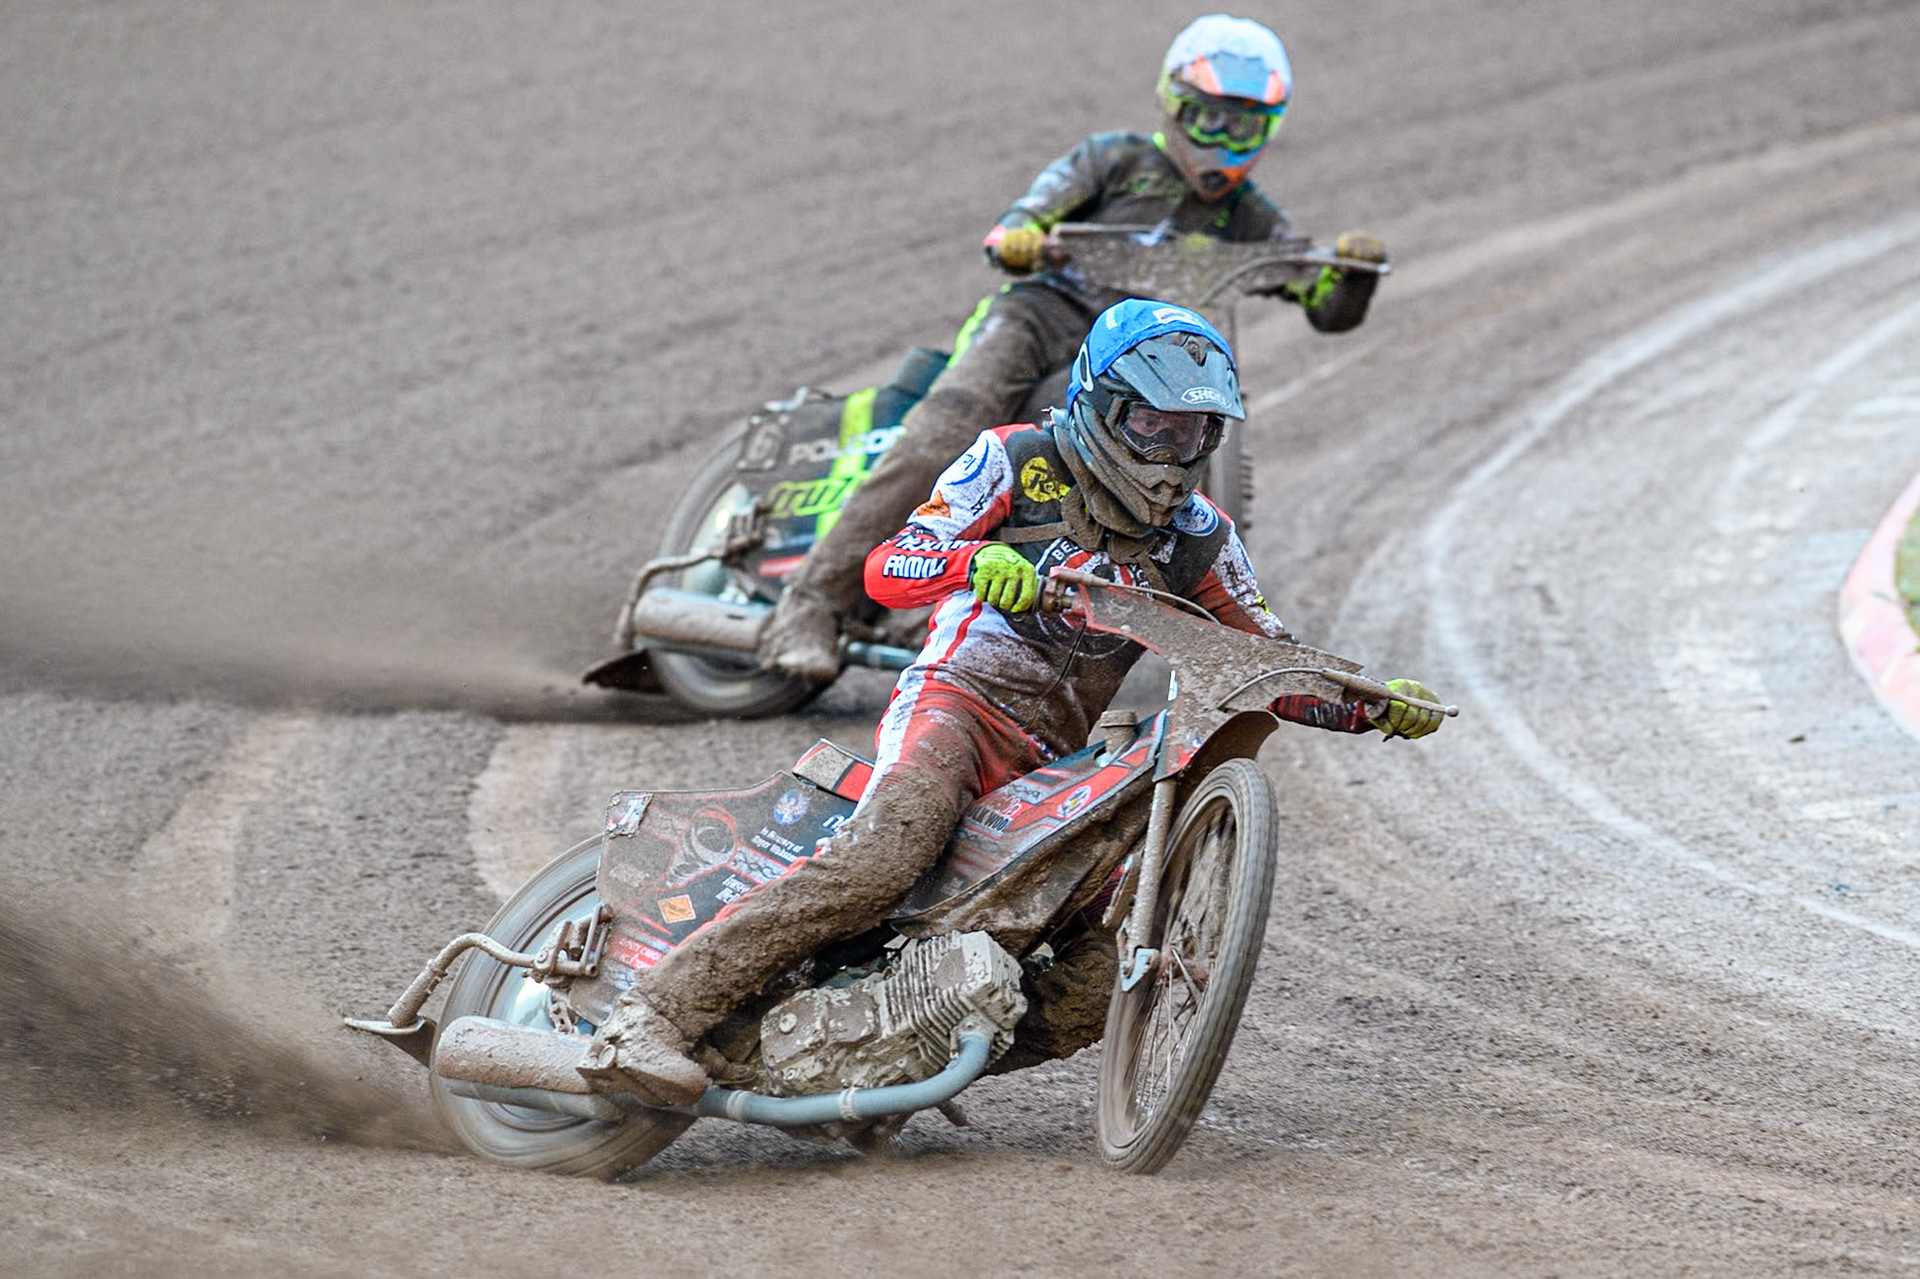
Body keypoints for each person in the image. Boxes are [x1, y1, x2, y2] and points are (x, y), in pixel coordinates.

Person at [580, 299, 1441, 1106]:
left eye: (1196, 432)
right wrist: (970, 565)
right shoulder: (1015, 459)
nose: (1174, 453)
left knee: (1097, 979)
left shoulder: (1204, 538)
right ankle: (652, 1014)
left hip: (1057, 764)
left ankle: (881, 1059)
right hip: (957, 703)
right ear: (1102, 407)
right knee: (887, 856)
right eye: (1154, 424)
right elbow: (890, 565)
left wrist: (1365, 704)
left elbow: (1264, 656)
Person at [756, 12, 1388, 682]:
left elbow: (1324, 307)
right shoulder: (1113, 160)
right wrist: (1021, 234)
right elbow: (1029, 213)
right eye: (1209, 120)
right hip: (1039, 316)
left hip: (1127, 369)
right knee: (942, 432)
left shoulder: (1250, 217)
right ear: (1174, 105)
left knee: (1108, 463)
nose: (1224, 140)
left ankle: (1015, 623)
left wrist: (1353, 278)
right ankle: (809, 603)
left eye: (1245, 125)